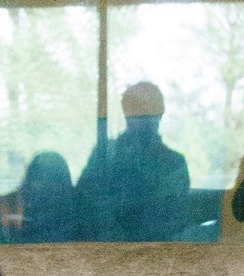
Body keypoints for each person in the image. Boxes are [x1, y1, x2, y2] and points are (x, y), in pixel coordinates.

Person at [75, 81, 190, 242]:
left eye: (150, 109)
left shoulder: (174, 163)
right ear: (126, 112)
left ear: (161, 112)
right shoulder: (105, 154)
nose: (145, 118)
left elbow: (175, 219)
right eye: (138, 109)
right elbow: (85, 207)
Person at [0, 151, 77, 243]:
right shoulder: (13, 204)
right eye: (39, 179)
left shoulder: (77, 214)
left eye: (51, 181)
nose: (45, 187)